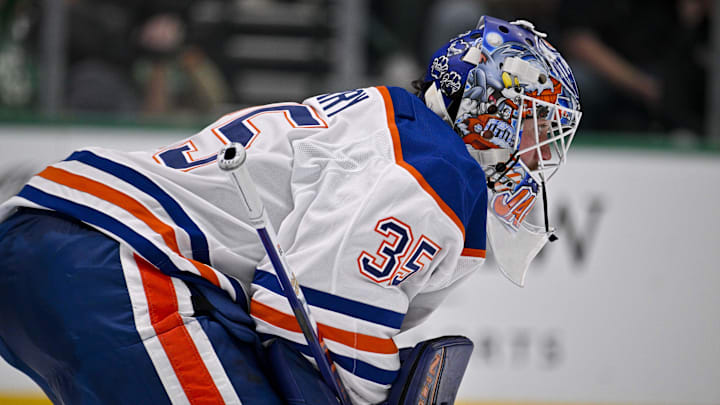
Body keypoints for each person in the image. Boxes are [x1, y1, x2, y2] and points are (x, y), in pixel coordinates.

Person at [0, 15, 581, 405]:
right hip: (112, 262)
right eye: (534, 125)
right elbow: (319, 323)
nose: (538, 153)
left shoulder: (393, 122)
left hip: (57, 245)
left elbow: (293, 312)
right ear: (486, 107)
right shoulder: (438, 168)